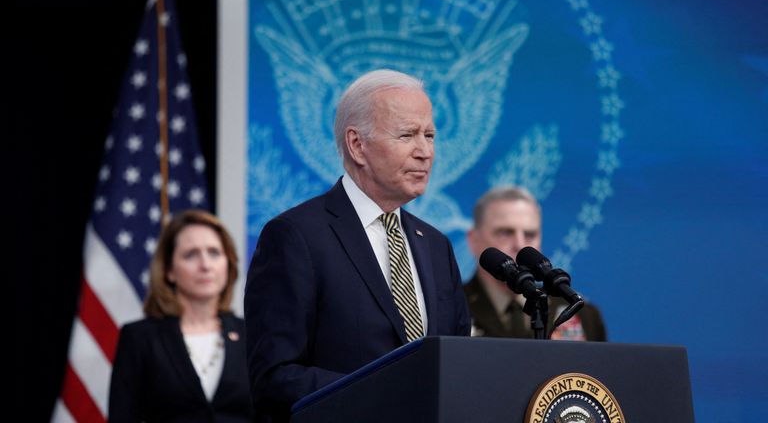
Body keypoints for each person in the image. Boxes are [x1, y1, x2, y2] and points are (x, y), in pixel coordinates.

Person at [245, 69, 471, 421]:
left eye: (429, 135)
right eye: (407, 135)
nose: (425, 151)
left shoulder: (436, 246)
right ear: (357, 145)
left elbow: (459, 364)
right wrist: (385, 396)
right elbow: (275, 378)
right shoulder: (295, 237)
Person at [109, 210, 254, 422]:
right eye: (191, 255)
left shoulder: (251, 335)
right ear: (169, 270)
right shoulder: (139, 337)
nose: (205, 265)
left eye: (214, 253)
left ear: (228, 263)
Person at [465, 186, 607, 341]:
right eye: (505, 233)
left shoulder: (579, 312)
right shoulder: (450, 307)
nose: (520, 244)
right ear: (474, 240)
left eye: (530, 234)